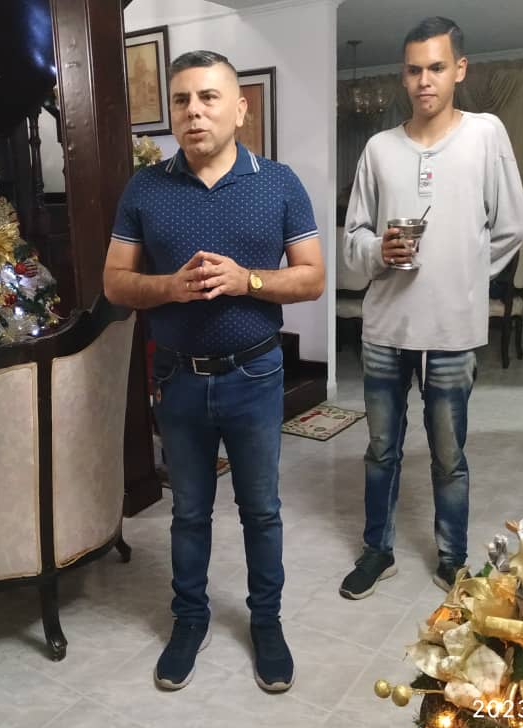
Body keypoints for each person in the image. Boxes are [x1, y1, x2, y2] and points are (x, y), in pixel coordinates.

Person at [104, 50, 324, 692]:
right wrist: (169, 288)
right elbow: (115, 282)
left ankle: (267, 622)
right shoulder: (146, 188)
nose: (193, 112)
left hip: (254, 375)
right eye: (181, 100)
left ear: (239, 108)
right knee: (190, 511)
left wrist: (247, 279)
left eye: (208, 97)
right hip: (176, 378)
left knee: (261, 510)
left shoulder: (278, 182)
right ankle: (190, 619)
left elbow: (312, 278)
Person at [339, 17, 523, 600]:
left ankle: (452, 558)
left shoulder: (486, 134)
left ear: (459, 70)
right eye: (415, 69)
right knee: (380, 450)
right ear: (403, 75)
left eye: (437, 68)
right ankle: (377, 551)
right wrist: (379, 250)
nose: (425, 80)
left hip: (452, 330)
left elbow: (511, 227)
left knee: (449, 454)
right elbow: (353, 239)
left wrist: (465, 277)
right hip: (385, 328)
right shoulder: (379, 149)